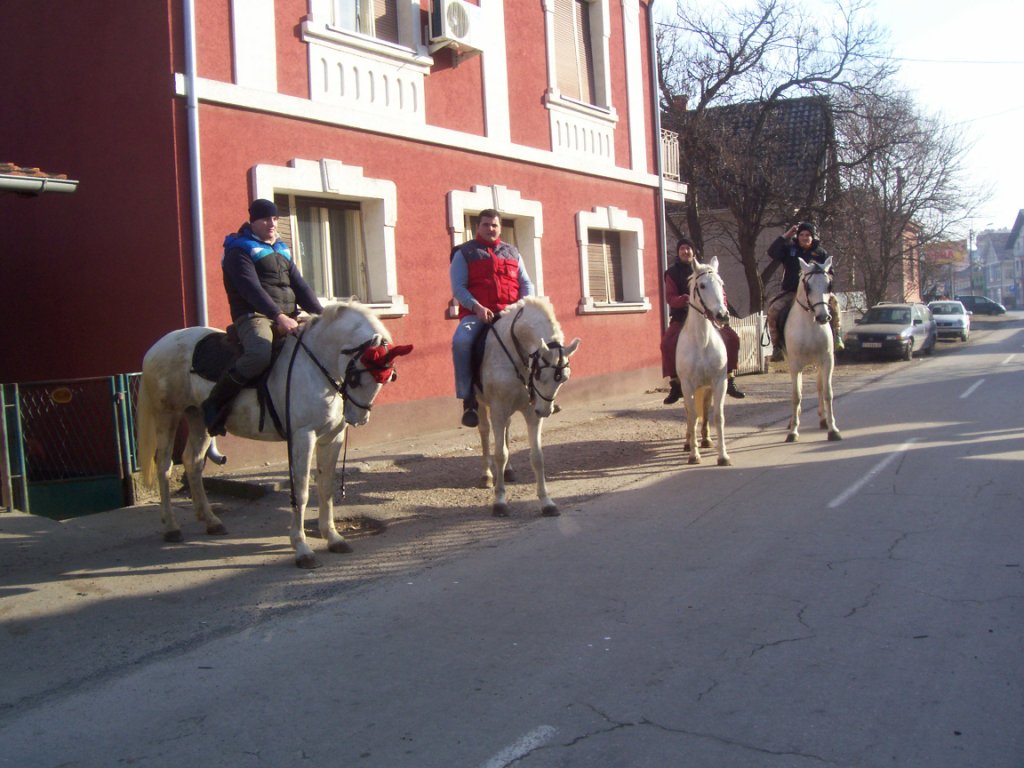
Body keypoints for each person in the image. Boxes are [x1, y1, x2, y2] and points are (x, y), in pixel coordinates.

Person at [201, 198, 324, 436]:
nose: (272, 223)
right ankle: (214, 403)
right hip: (254, 316)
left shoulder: (281, 248)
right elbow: (251, 290)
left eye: (275, 218)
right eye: (266, 218)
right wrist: (279, 317)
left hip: (287, 316)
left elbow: (300, 285)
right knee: (259, 354)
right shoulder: (239, 249)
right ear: (253, 220)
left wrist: (324, 315)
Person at [450, 209, 534, 427]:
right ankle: (468, 400)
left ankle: (539, 394)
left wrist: (522, 306)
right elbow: (458, 288)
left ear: (500, 227)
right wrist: (476, 307)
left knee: (539, 338)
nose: (490, 229)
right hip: (478, 315)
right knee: (461, 342)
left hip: (509, 313)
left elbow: (526, 284)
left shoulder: (513, 253)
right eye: (486, 224)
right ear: (478, 227)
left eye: (494, 225)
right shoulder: (464, 253)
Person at [661, 236, 745, 405]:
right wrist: (685, 299)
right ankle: (675, 384)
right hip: (682, 317)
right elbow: (670, 297)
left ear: (693, 251)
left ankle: (729, 377)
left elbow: (720, 293)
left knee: (732, 338)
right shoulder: (671, 273)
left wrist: (721, 308)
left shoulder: (706, 270)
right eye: (682, 248)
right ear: (678, 252)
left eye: (688, 248)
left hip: (709, 316)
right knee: (667, 343)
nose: (685, 251)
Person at [765, 221, 843, 362]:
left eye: (808, 235)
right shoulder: (790, 249)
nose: (805, 237)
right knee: (773, 310)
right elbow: (772, 252)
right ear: (798, 236)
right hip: (791, 292)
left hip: (817, 293)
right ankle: (776, 346)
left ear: (812, 237)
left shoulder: (820, 253)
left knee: (835, 303)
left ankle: (837, 335)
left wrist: (824, 284)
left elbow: (830, 273)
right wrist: (787, 235)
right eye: (801, 234)